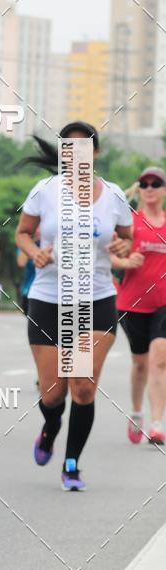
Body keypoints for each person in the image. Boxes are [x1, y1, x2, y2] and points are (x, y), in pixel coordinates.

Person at [15, 121, 132, 491]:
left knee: (82, 386)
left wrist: (122, 249)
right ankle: (50, 428)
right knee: (53, 394)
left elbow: (127, 240)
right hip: (50, 298)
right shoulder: (44, 192)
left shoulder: (114, 196)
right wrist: (35, 252)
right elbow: (22, 233)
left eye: (83, 149)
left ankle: (71, 464)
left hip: (96, 299)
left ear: (95, 154)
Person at [113, 168, 166, 446]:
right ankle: (136, 412)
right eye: (144, 184)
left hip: (164, 304)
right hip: (132, 303)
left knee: (160, 357)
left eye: (156, 183)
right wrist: (124, 262)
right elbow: (109, 249)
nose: (149, 188)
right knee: (141, 363)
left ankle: (157, 424)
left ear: (163, 189)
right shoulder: (131, 223)